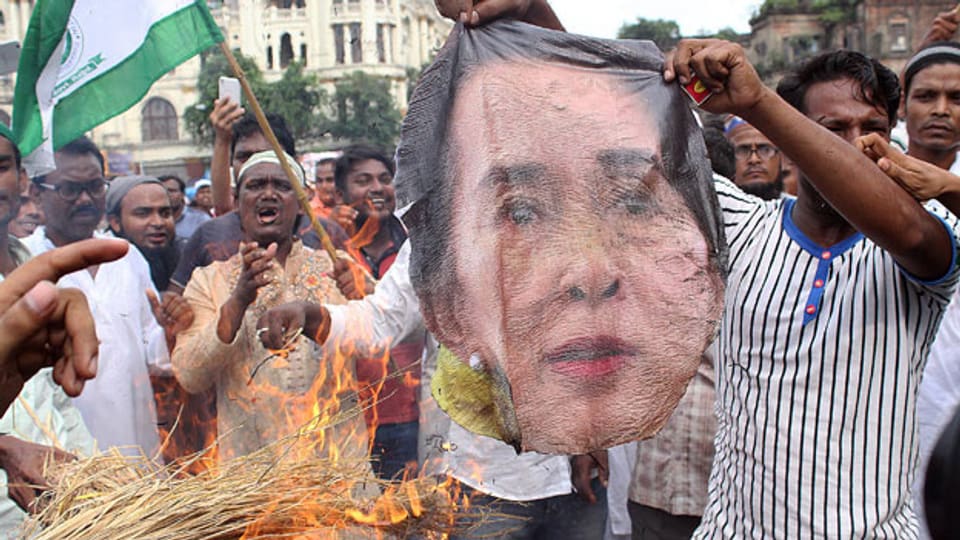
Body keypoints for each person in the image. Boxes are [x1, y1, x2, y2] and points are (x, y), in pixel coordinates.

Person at [400, 22, 726, 455]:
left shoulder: (758, 235)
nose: (591, 272)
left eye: (632, 202)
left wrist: (759, 105)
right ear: (445, 304)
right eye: (520, 212)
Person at [257, 240, 610, 539]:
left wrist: (597, 433)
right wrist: (311, 316)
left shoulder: (575, 220)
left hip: (580, 478)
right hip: (479, 483)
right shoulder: (437, 232)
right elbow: (381, 321)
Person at [171, 150, 367, 461]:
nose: (268, 193)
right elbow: (190, 376)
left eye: (282, 185)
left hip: (338, 470)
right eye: (256, 185)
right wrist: (237, 303)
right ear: (238, 201)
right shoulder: (209, 280)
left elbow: (383, 338)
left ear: (302, 202)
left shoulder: (337, 267)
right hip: (253, 481)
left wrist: (362, 292)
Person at [23, 137, 193, 458]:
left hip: (137, 448)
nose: (86, 199)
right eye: (70, 190)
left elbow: (153, 353)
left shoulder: (126, 257)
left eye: (95, 187)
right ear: (36, 193)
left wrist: (172, 332)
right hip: (64, 458)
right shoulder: (25, 263)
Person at [168, 113, 348, 295]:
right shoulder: (208, 236)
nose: (259, 165)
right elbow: (179, 308)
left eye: (267, 155)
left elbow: (363, 305)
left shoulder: (328, 235)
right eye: (244, 157)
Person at [106, 176, 179, 291]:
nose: (158, 223)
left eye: (165, 213)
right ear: (115, 222)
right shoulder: (102, 268)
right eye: (143, 214)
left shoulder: (184, 256)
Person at [723, 115, 784, 199]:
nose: (754, 159)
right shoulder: (711, 209)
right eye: (742, 151)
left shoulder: (801, 209)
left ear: (780, 157)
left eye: (765, 150)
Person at [159, 174, 209, 248]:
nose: (167, 195)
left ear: (182, 194)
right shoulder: (153, 221)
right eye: (163, 191)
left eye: (172, 191)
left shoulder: (200, 219)